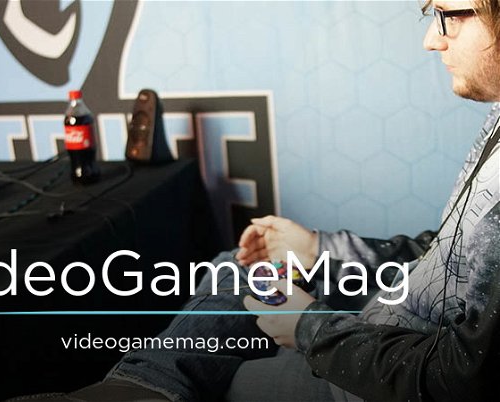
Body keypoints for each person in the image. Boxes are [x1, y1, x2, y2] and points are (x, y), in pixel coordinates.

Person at [52, 1, 500, 401]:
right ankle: (138, 386)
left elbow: (461, 379)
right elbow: (448, 254)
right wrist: (318, 247)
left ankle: (143, 387)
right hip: (396, 313)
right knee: (246, 267)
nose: (431, 39)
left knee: (219, 378)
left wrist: (309, 326)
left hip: (393, 371)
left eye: (450, 14)